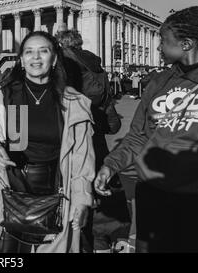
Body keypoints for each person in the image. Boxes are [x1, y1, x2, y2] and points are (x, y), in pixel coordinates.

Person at [0, 31, 95, 253]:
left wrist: (83, 198)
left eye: (43, 51)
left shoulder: (74, 102)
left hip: (56, 190)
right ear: (22, 61)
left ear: (54, 60)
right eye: (29, 52)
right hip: (6, 186)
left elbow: (83, 156)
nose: (36, 57)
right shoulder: (2, 95)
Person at [95, 6, 198, 253]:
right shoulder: (158, 82)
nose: (158, 48)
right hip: (153, 194)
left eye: (163, 41)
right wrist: (111, 165)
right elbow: (137, 136)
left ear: (186, 44)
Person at [57, 29, 125, 252]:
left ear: (62, 42)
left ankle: (82, 233)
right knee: (98, 174)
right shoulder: (93, 60)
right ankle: (104, 236)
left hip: (78, 124)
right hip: (97, 125)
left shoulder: (66, 62)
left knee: (78, 177)